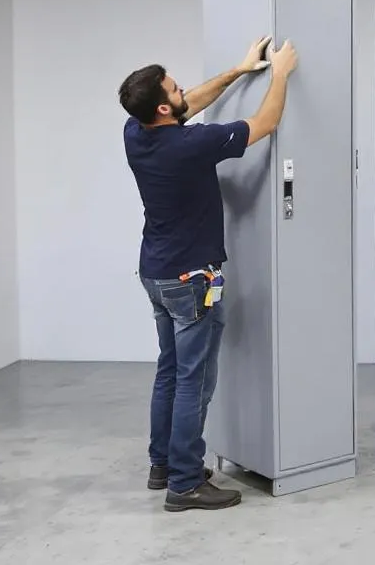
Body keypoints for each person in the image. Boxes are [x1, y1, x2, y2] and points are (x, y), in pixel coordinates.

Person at [118, 35, 298, 512]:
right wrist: (279, 74)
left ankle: (163, 465)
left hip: (155, 273)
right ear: (162, 109)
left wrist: (238, 71)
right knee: (193, 379)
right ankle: (184, 482)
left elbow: (191, 101)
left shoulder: (136, 132)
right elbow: (265, 123)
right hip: (190, 279)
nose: (183, 93)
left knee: (170, 371)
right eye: (174, 90)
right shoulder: (191, 144)